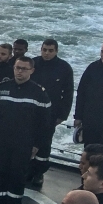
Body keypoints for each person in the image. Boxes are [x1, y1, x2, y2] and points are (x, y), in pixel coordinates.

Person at [0, 57, 52, 204]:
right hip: (1, 143)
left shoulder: (39, 93)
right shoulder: (2, 88)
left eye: (23, 68)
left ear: (32, 71)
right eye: (17, 68)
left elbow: (45, 124)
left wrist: (37, 145)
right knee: (0, 176)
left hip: (23, 145)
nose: (19, 71)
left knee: (16, 179)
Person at [30, 39, 75, 188]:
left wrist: (63, 115)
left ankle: (39, 173)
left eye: (50, 50)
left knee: (44, 143)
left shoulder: (64, 68)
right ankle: (26, 170)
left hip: (51, 114)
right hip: (31, 112)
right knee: (27, 141)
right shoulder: (33, 64)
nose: (47, 53)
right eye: (44, 50)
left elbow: (68, 93)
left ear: (56, 51)